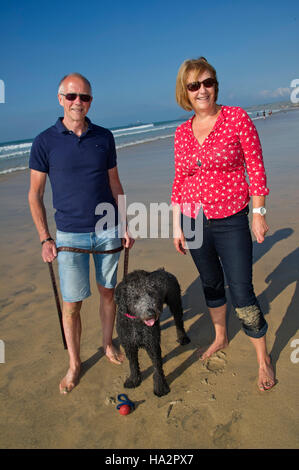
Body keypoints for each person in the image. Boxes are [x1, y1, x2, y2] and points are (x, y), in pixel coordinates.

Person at [171, 57, 275, 391]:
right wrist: (176, 224)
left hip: (231, 219)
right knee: (211, 283)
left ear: (216, 85)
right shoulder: (181, 132)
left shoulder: (237, 118)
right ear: (185, 92)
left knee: (242, 290)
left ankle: (263, 357)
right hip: (193, 221)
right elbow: (180, 181)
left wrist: (258, 213)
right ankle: (221, 337)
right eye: (194, 85)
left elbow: (255, 168)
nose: (202, 90)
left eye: (208, 82)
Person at [28, 73, 134, 394]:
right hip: (69, 236)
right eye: (72, 96)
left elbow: (115, 184)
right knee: (72, 304)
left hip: (108, 228)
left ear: (91, 101)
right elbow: (35, 194)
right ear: (60, 99)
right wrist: (46, 238)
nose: (78, 103)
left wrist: (127, 223)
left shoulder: (105, 136)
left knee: (108, 293)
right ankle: (74, 364)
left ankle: (107, 345)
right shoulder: (44, 141)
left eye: (84, 97)